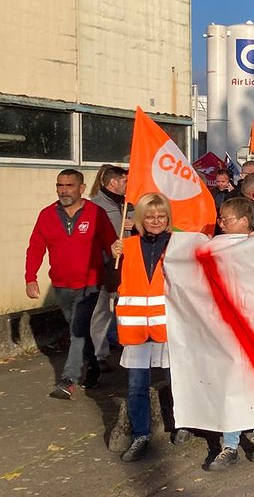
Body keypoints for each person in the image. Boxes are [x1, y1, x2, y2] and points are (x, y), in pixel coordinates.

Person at [26, 169, 118, 399]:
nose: (64, 190)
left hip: (90, 284)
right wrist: (30, 277)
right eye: (60, 185)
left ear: (81, 188)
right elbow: (35, 247)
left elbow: (111, 245)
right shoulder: (46, 215)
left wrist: (118, 272)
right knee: (79, 330)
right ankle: (94, 368)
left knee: (77, 330)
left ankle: (68, 379)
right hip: (61, 284)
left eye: (69, 185)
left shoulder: (96, 213)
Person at [205, 196, 254, 471]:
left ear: (244, 222)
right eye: (220, 219)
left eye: (226, 219)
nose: (220, 223)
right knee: (231, 382)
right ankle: (230, 444)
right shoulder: (214, 246)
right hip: (227, 328)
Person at [110, 193, 177, 462]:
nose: (156, 220)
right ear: (139, 218)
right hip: (136, 328)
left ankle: (181, 424)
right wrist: (111, 257)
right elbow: (109, 282)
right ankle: (141, 434)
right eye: (149, 216)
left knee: (177, 382)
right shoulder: (125, 246)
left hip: (168, 326)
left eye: (161, 215)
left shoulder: (176, 245)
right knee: (137, 385)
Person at [88, 165, 130, 362]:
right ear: (113, 183)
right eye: (125, 181)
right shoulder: (95, 206)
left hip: (127, 264)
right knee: (101, 310)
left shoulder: (129, 203)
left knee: (126, 306)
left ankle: (125, 342)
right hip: (104, 265)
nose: (128, 185)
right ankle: (100, 354)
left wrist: (136, 223)